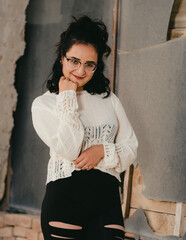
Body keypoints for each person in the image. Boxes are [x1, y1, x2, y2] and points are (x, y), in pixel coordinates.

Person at [31, 16, 138, 240]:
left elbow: (131, 149)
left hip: (107, 203)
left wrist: (101, 151)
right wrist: (68, 96)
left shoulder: (109, 100)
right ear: (62, 58)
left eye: (90, 64)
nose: (81, 71)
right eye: (74, 61)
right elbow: (69, 150)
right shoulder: (44, 104)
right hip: (66, 200)